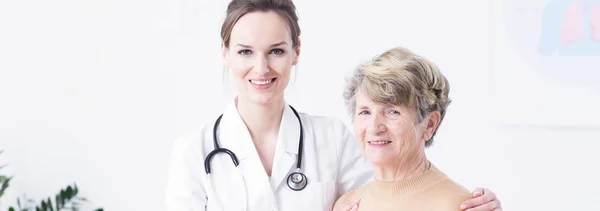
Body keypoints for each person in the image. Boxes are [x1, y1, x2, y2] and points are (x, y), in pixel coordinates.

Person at [165, 0, 503, 210]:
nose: (262, 67)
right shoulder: (194, 150)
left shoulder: (331, 139)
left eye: (276, 50)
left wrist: (476, 203)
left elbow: (397, 188)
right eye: (245, 51)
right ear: (224, 52)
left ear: (296, 52)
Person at [334, 47, 498, 211]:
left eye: (393, 111)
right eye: (365, 112)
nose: (374, 127)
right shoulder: (346, 205)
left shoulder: (459, 205)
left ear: (429, 124)